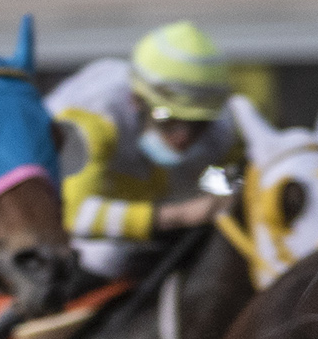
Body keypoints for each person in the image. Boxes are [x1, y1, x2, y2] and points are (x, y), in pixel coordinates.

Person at [45, 21, 242, 279]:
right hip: (53, 208)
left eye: (197, 124)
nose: (184, 137)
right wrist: (182, 215)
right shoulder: (94, 114)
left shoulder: (222, 126)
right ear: (137, 100)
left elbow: (232, 186)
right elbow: (75, 215)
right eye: (168, 119)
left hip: (146, 202)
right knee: (103, 255)